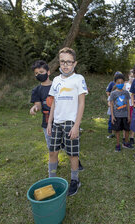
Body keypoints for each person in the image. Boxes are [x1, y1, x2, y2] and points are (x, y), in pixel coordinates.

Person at [47, 47, 88, 196]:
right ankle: (50, 180)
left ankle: (75, 180)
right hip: (56, 123)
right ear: (59, 62)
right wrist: (50, 122)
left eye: (69, 62)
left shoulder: (79, 79)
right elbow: (54, 103)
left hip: (71, 123)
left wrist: (77, 125)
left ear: (75, 63)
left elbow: (81, 104)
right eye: (63, 61)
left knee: (72, 154)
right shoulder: (56, 80)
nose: (65, 65)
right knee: (53, 152)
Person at [110, 73, 133, 151]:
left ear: (124, 82)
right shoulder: (113, 93)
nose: (120, 84)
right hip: (117, 115)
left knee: (126, 129)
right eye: (118, 83)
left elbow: (127, 104)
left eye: (121, 82)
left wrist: (129, 115)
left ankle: (126, 143)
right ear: (115, 83)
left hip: (125, 115)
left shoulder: (126, 93)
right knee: (117, 130)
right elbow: (111, 105)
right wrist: (112, 116)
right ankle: (117, 144)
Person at [106, 71, 122, 139]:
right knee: (111, 120)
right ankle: (112, 132)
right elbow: (109, 101)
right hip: (112, 109)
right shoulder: (111, 83)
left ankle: (118, 131)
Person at [123, 70, 135, 145]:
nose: (132, 78)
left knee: (132, 122)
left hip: (133, 106)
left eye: (134, 77)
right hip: (126, 106)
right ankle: (124, 137)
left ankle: (132, 137)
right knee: (126, 121)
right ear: (128, 76)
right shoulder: (125, 85)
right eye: (131, 76)